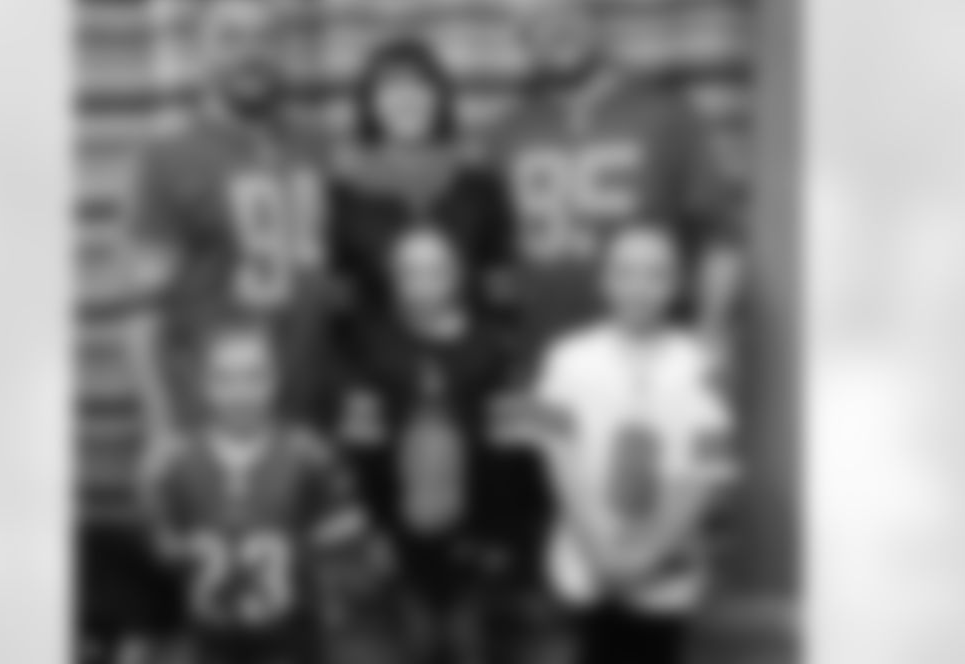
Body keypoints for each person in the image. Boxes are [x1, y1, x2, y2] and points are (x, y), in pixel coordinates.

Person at [489, 0, 743, 365]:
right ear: (524, 42)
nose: (555, 30)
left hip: (650, 368)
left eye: (567, 11)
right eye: (536, 23)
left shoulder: (666, 116)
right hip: (537, 366)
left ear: (596, 16)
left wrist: (713, 329)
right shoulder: (507, 131)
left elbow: (720, 238)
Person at [127, 0, 338, 446]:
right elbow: (143, 311)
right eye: (231, 38)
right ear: (200, 55)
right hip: (210, 424)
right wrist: (161, 429)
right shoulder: (167, 157)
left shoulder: (317, 144)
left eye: (264, 38)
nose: (250, 52)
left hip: (312, 415)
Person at [334, 227, 552, 664]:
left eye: (434, 270)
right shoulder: (372, 349)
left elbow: (518, 454)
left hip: (477, 534)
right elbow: (363, 453)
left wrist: (504, 535)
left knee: (472, 639)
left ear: (455, 276)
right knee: (416, 640)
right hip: (403, 538)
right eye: (409, 272)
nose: (422, 283)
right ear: (393, 281)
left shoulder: (494, 347)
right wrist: (376, 531)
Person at [527, 221, 739, 664]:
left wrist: (646, 558)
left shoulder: (700, 366)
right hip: (587, 564)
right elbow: (557, 458)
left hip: (667, 569)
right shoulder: (567, 358)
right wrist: (602, 554)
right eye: (625, 271)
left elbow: (706, 471)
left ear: (676, 285)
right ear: (604, 281)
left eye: (655, 273)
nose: (639, 287)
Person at [144, 319, 374, 664]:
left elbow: (350, 527)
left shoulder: (308, 455)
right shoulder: (176, 464)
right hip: (211, 641)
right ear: (204, 385)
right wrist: (193, 548)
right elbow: (163, 543)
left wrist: (295, 546)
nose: (241, 392)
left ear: (275, 381)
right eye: (225, 378)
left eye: (254, 376)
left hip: (292, 639)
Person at [329, 37, 517, 329]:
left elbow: (499, 278)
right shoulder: (345, 187)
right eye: (390, 88)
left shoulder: (478, 179)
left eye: (419, 86)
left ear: (439, 97)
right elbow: (339, 292)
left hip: (471, 346)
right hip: (374, 347)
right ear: (370, 104)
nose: (406, 99)